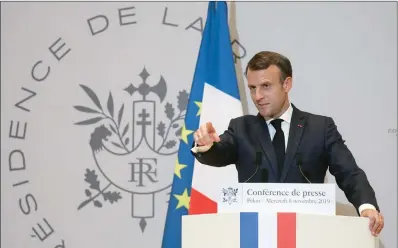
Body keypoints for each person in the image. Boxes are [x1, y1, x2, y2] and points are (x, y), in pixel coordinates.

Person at [191, 51, 384, 236]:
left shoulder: (320, 128)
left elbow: (349, 173)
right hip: (255, 236)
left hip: (308, 235)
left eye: (265, 86)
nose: (257, 96)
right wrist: (207, 146)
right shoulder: (242, 128)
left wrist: (366, 207)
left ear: (287, 84)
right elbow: (220, 151)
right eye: (252, 88)